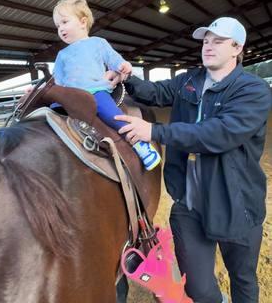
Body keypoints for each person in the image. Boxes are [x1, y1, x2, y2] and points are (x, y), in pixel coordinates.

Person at [108, 17, 271, 303]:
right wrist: (127, 78)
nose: (208, 46)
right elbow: (156, 93)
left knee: (243, 280)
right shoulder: (190, 81)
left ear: (237, 48)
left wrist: (155, 131)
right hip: (189, 204)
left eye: (217, 41)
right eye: (206, 41)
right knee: (197, 287)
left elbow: (220, 133)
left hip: (235, 202)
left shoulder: (253, 90)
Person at [52, 0, 161, 171]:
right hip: (71, 96)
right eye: (58, 26)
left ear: (82, 21)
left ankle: (140, 145)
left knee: (113, 116)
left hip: (95, 92)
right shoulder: (61, 55)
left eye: (64, 22)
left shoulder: (97, 43)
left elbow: (112, 58)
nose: (60, 28)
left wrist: (122, 65)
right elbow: (57, 80)